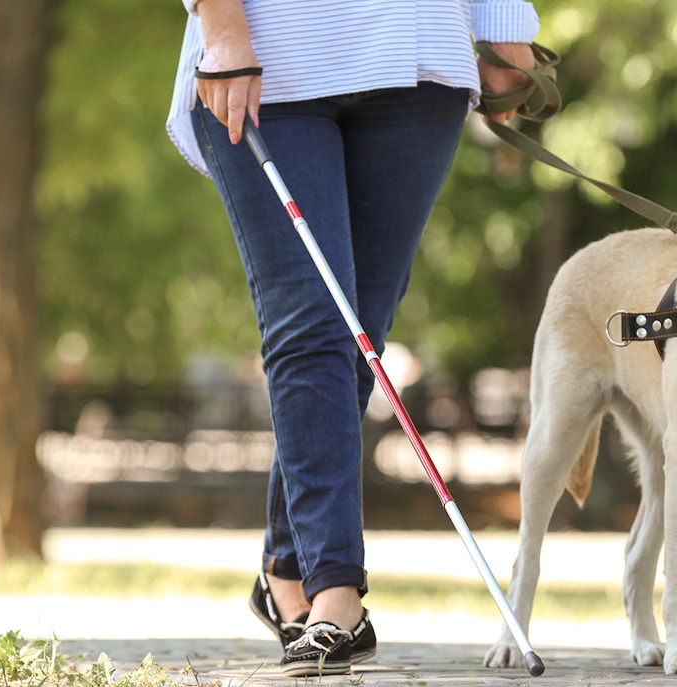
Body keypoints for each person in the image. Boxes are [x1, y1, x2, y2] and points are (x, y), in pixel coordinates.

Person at [165, 0, 540, 677]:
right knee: (312, 325)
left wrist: (507, 29)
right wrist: (220, 23)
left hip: (418, 58)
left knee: (355, 336)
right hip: (269, 54)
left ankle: (288, 566)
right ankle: (336, 597)